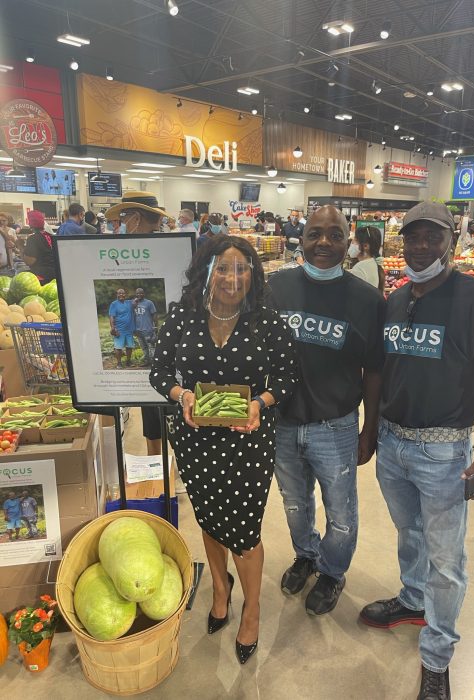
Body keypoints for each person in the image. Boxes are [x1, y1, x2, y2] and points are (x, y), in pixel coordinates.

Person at [359, 202, 474, 700]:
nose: (420, 247)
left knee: (446, 558)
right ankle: (412, 600)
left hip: (443, 452)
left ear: (451, 242)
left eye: (431, 238)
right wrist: (371, 431)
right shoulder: (396, 301)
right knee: (408, 533)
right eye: (412, 238)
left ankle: (437, 655)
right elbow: (380, 372)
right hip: (394, 446)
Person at [149, 235, 297, 664]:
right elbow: (159, 372)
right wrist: (182, 395)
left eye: (242, 268)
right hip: (195, 441)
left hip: (248, 441)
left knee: (245, 533)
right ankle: (219, 587)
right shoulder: (182, 318)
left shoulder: (268, 322)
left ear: (253, 274)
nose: (233, 278)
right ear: (206, 272)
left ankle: (251, 608)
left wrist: (259, 403)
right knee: (210, 521)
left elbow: (287, 379)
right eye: (224, 268)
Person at [267, 205, 385, 617]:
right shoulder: (274, 288)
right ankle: (306, 554)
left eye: (334, 235)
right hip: (281, 423)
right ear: (302, 238)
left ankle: (333, 571)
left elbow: (374, 370)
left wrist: (370, 428)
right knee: (295, 503)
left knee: (341, 513)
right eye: (315, 233)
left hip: (334, 426)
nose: (323, 242)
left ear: (348, 240)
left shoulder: (367, 300)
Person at [105, 191, 175, 455]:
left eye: (122, 217)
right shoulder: (121, 252)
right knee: (152, 407)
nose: (119, 222)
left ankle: (166, 467)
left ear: (134, 218)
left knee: (165, 402)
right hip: (152, 343)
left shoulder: (162, 251)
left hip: (166, 344)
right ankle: (155, 464)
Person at [348, 225, 385, 292]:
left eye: (355, 241)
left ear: (365, 246)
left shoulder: (359, 268)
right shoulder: (373, 263)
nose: (352, 244)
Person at [23, 210, 56, 284]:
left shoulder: (33, 239)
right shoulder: (51, 236)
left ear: (30, 223)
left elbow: (30, 261)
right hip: (55, 274)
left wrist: (20, 246)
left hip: (41, 277)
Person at [108, 288, 136, 368]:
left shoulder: (129, 303)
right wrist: (113, 328)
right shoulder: (114, 304)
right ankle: (119, 363)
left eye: (123, 293)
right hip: (119, 330)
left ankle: (128, 362)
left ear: (125, 294)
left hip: (129, 329)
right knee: (118, 347)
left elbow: (136, 302)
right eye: (119, 293)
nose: (121, 295)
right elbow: (111, 317)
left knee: (129, 346)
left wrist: (136, 300)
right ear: (117, 295)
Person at [133, 288, 157, 366]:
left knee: (151, 346)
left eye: (141, 293)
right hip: (138, 330)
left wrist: (155, 327)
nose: (139, 295)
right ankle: (147, 361)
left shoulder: (149, 303)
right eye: (137, 293)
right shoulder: (133, 303)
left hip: (148, 329)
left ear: (144, 294)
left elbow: (154, 315)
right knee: (144, 347)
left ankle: (155, 363)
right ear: (135, 294)